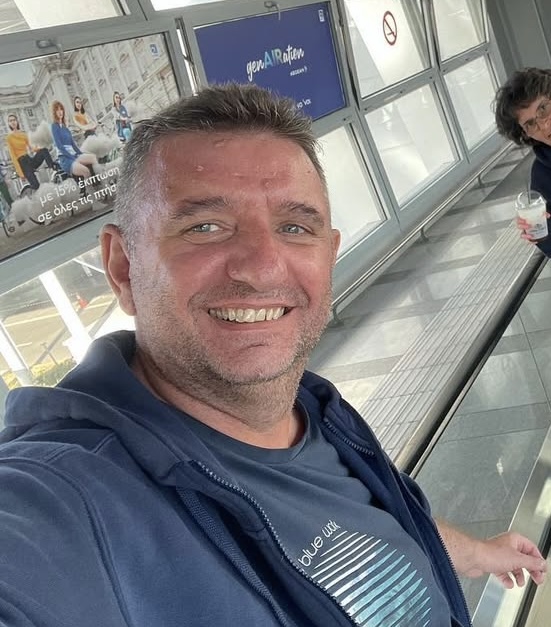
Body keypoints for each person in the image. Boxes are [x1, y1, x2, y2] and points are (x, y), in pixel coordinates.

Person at [0, 84, 546, 626]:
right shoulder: (69, 499)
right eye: (205, 227)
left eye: (294, 227)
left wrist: (476, 553)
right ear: (123, 267)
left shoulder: (317, 410)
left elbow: (370, 526)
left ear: (329, 255)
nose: (262, 267)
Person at [494, 67, 551, 256]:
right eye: (530, 124)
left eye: (543, 108)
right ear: (526, 134)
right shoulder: (542, 176)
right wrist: (542, 236)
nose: (544, 125)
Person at [50, 100, 98, 186]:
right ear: (54, 113)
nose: (60, 112)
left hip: (74, 156)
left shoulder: (65, 128)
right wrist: (72, 156)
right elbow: (59, 146)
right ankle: (92, 189)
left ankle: (98, 184)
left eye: (61, 109)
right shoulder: (54, 126)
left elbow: (73, 145)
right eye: (57, 110)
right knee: (85, 171)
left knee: (93, 158)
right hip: (65, 159)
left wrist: (81, 154)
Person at [5, 112, 57, 190]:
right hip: (22, 163)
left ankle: (52, 168)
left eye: (14, 120)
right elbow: (13, 156)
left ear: (17, 121)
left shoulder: (23, 134)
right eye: (10, 121)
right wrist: (20, 173)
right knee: (36, 186)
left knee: (44, 150)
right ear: (9, 123)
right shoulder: (9, 138)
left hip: (29, 159)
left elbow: (32, 148)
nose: (13, 122)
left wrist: (40, 148)